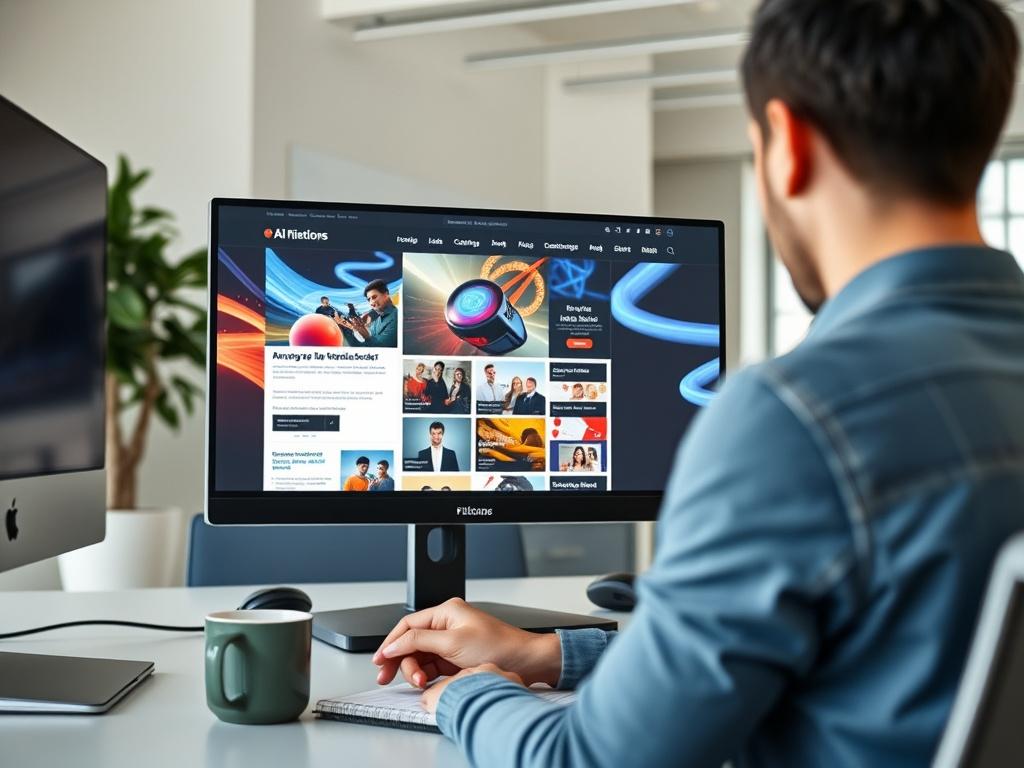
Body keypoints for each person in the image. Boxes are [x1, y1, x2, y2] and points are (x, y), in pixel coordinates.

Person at [371, 3, 1024, 767]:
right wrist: (545, 654)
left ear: (787, 144)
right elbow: (807, 663)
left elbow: (587, 761)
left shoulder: (795, 420)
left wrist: (464, 695)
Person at [336, 279, 398, 348]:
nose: (371, 303)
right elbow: (364, 348)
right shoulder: (377, 322)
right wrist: (346, 330)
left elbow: (381, 350)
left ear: (386, 294)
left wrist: (367, 336)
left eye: (374, 297)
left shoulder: (396, 318)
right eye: (369, 299)